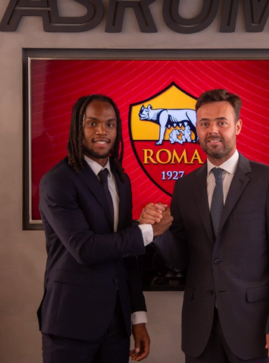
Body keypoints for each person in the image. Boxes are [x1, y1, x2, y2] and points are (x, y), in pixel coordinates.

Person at [141, 89, 269, 363]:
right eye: (204, 123)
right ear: (197, 128)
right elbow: (180, 260)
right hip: (200, 331)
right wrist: (158, 232)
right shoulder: (185, 187)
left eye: (221, 122)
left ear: (237, 126)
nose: (212, 130)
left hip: (256, 328)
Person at [37, 94, 172, 363]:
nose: (102, 131)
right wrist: (147, 232)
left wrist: (137, 317)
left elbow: (127, 256)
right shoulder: (57, 181)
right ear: (78, 127)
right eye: (92, 123)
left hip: (116, 325)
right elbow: (84, 249)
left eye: (110, 124)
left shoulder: (121, 180)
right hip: (70, 323)